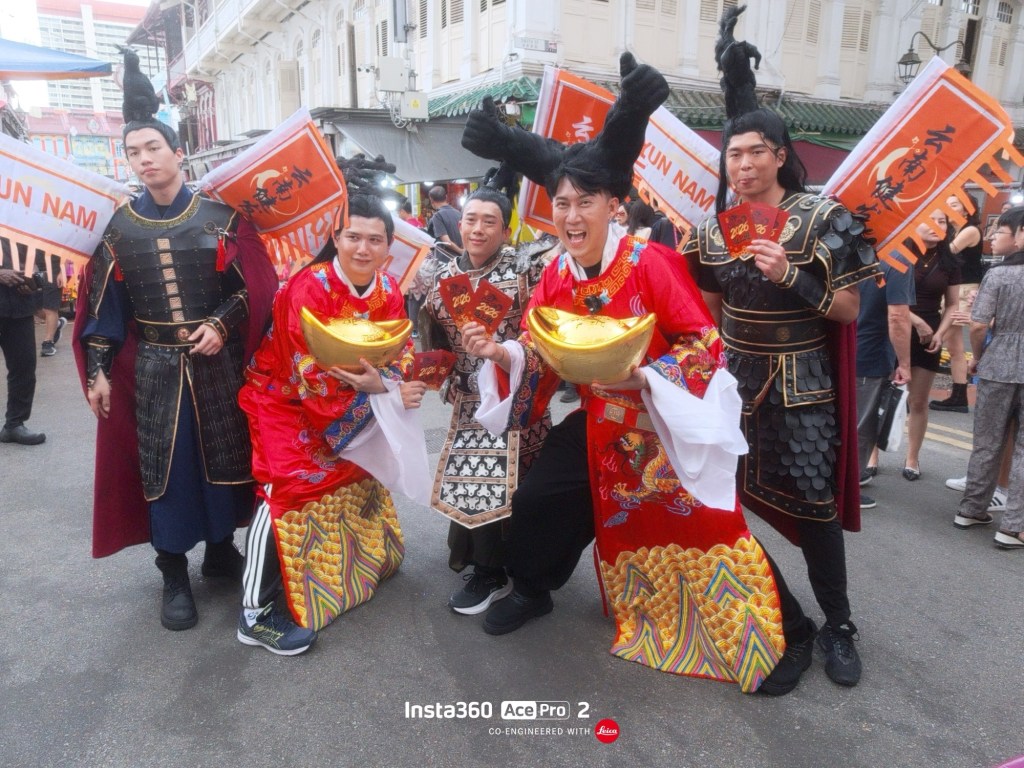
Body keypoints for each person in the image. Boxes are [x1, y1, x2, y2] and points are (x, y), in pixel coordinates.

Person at [459, 53, 789, 696]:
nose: (572, 215)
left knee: (710, 523)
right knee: (537, 501)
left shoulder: (651, 262)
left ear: (615, 205)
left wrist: (651, 381)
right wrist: (501, 355)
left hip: (662, 421)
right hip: (597, 421)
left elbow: (703, 342)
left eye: (586, 201)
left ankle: (776, 628)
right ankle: (533, 587)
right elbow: (539, 341)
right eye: (561, 203)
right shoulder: (554, 273)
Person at [685, 54, 880, 688]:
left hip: (804, 384)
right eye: (732, 154)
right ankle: (786, 620)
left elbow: (849, 309)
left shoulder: (822, 218)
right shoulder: (711, 231)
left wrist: (789, 274)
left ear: (779, 154)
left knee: (816, 508)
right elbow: (709, 310)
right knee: (724, 502)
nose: (742, 164)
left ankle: (840, 623)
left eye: (755, 152)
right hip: (734, 382)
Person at [74, 54, 278, 631]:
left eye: (152, 149)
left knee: (223, 460)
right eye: (133, 152)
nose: (143, 160)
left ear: (177, 153)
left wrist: (219, 322)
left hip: (218, 366)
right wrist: (98, 372)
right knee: (165, 468)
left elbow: (254, 289)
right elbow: (103, 310)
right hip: (156, 371)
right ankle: (172, 571)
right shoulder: (117, 228)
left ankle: (219, 551)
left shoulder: (220, 216)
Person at [237, 194, 430, 654]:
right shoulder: (309, 287)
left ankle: (361, 562)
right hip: (282, 398)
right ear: (335, 239)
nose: (363, 249)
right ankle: (256, 611)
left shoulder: (388, 289)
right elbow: (309, 371)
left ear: (388, 247)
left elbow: (399, 348)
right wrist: (382, 393)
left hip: (349, 400)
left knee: (357, 468)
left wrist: (392, 382)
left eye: (375, 240)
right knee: (285, 488)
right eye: (353, 237)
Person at [419, 184, 549, 614]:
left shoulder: (527, 269)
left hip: (518, 394)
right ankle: (487, 568)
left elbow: (543, 330)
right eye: (471, 219)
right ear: (460, 223)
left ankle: (515, 568)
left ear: (505, 228)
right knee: (475, 481)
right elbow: (432, 335)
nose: (478, 229)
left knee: (521, 487)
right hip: (468, 400)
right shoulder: (439, 275)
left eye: (489, 221)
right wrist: (440, 375)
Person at [953, 206, 1024, 541]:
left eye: (1001, 230)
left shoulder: (997, 275)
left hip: (997, 364)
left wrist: (978, 359)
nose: (994, 236)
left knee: (987, 441)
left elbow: (978, 325)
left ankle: (971, 509)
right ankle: (1014, 526)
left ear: (1021, 233)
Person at [903, 210, 961, 481]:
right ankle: (872, 455)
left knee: (918, 401)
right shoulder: (899, 253)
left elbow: (952, 305)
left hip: (930, 334)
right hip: (897, 328)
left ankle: (912, 458)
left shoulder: (949, 261)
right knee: (883, 397)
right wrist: (914, 321)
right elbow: (886, 299)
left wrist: (941, 333)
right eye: (932, 220)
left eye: (943, 222)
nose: (938, 226)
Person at [854, 254, 914, 509]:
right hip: (871, 353)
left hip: (835, 350)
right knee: (861, 426)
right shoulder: (898, 261)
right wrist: (904, 363)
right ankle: (846, 489)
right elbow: (898, 316)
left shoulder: (847, 251)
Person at [930, 195, 982, 413]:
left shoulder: (970, 230)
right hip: (956, 290)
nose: (948, 209)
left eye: (953, 205)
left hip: (964, 291)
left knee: (945, 339)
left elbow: (947, 254)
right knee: (954, 346)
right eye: (946, 204)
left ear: (966, 209)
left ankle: (958, 395)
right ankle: (959, 395)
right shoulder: (952, 231)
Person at [0, 242, 46, 445]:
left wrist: (32, 284)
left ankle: (15, 424)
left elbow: (35, 263)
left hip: (19, 308)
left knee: (24, 368)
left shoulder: (22, 222)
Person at [36, 253, 67, 358]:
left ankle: (48, 341)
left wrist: (63, 271)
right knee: (34, 308)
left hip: (54, 268)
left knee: (49, 308)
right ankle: (57, 324)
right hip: (33, 268)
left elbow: (68, 248)